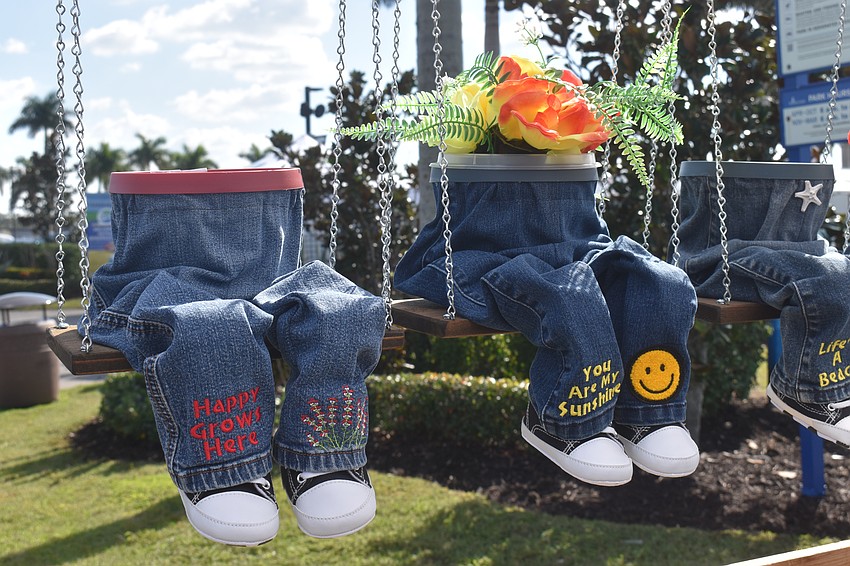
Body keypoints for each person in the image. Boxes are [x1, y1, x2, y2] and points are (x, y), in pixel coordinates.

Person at [86, 168, 386, 545]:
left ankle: (323, 452)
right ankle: (226, 467)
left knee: (340, 311)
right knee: (207, 322)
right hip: (161, 270)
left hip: (273, 271)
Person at [395, 160, 700, 487]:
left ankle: (646, 412)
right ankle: (562, 423)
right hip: (489, 248)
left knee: (663, 283)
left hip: (580, 238)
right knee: (569, 296)